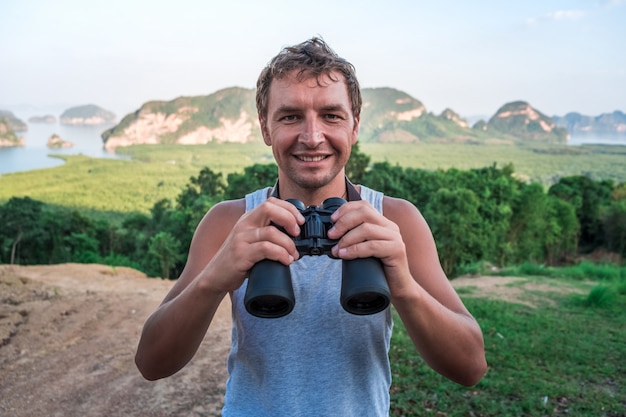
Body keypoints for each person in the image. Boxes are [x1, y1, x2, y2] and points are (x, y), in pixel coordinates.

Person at [135, 37, 487, 416]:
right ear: (266, 129)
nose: (312, 137)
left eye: (331, 116)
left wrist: (403, 286)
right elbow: (152, 363)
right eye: (290, 116)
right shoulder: (230, 222)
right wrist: (213, 279)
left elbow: (470, 367)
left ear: (354, 127)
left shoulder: (395, 220)